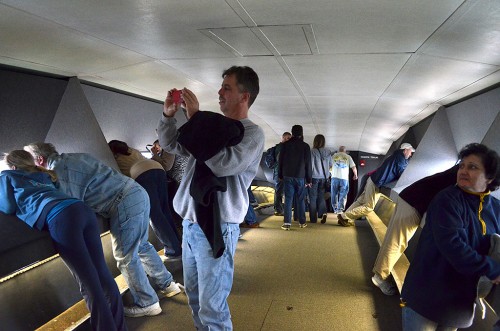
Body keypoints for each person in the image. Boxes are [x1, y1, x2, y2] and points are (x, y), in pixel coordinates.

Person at [157, 65, 264, 330]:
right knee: (195, 301)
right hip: (191, 225)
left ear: (244, 96)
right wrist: (168, 117)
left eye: (227, 87)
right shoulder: (213, 126)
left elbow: (224, 164)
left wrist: (196, 118)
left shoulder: (252, 134)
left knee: (212, 307)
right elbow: (172, 145)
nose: (219, 92)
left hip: (217, 225)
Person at [24, 142, 181, 318]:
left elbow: (68, 202)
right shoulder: (75, 156)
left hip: (123, 201)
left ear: (39, 159)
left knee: (125, 256)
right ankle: (167, 284)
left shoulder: (59, 170)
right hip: (136, 192)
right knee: (142, 246)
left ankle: (147, 303)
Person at [0, 150, 126, 331]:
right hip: (82, 210)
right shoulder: (42, 173)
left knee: (89, 284)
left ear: (12, 166)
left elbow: (7, 206)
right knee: (103, 275)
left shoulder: (7, 175)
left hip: (62, 218)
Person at [401, 143, 500, 330]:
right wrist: (494, 269)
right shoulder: (447, 200)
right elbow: (453, 246)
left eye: (472, 167)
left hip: (458, 302)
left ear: (490, 177)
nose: (463, 170)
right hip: (427, 295)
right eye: (462, 165)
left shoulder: (495, 209)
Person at [371, 164, 458, 296]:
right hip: (413, 203)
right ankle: (380, 277)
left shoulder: (458, 170)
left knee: (392, 240)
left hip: (408, 196)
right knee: (397, 243)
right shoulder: (462, 178)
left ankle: (379, 272)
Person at [108, 140, 182, 260]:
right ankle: (178, 244)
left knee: (154, 214)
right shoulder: (132, 150)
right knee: (165, 210)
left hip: (142, 175)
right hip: (157, 169)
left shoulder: (114, 158)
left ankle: (173, 250)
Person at [337, 143, 415, 227]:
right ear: (405, 150)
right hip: (376, 183)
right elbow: (402, 173)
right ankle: (345, 217)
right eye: (410, 152)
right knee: (369, 207)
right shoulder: (401, 159)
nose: (411, 154)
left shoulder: (394, 156)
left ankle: (345, 218)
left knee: (360, 201)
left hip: (372, 180)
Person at [278, 125, 312, 230]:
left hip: (287, 176)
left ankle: (287, 223)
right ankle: (302, 222)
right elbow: (308, 164)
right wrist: (309, 179)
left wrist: (280, 175)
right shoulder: (305, 146)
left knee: (288, 199)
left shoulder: (285, 145)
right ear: (301, 133)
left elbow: (281, 161)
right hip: (300, 177)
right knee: (301, 199)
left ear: (292, 133)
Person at [265, 132, 292, 216]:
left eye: (290, 138)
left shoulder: (283, 147)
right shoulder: (281, 148)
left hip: (280, 172)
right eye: (287, 138)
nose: (289, 140)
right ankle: (278, 209)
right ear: (283, 138)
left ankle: (280, 209)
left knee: (279, 190)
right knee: (280, 191)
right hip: (280, 172)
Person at [309, 134, 333, 224]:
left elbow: (310, 166)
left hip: (314, 177)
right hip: (324, 178)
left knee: (312, 198)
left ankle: (313, 219)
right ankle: (322, 214)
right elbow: (331, 165)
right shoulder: (328, 152)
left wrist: (308, 178)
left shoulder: (312, 152)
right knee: (321, 197)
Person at [331, 146, 358, 214]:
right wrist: (355, 175)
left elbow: (329, 166)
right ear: (345, 151)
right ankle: (340, 210)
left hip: (334, 177)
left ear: (338, 150)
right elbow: (353, 167)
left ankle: (335, 209)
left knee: (334, 194)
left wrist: (331, 172)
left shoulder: (334, 156)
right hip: (344, 179)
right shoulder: (348, 157)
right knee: (343, 194)